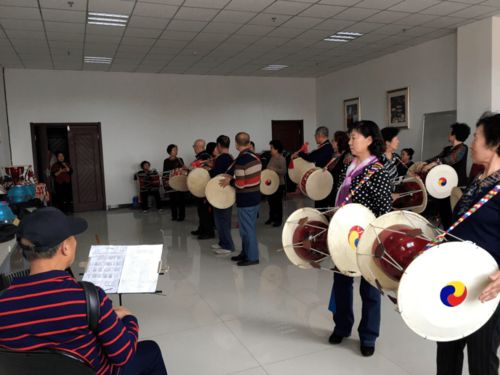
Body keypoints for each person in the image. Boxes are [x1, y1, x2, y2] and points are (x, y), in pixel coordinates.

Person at [0, 207, 167, 375]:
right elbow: (123, 356)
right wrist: (130, 319)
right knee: (151, 350)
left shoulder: (3, 301)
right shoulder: (88, 298)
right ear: (65, 247)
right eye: (73, 236)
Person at [436, 113, 500, 375]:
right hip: (455, 278)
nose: (472, 144)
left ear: (495, 143)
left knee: (481, 358)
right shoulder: (478, 180)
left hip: (485, 286)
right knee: (447, 350)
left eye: (476, 138)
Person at [329, 120, 392, 357]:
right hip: (342, 235)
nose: (350, 141)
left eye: (355, 137)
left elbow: (384, 211)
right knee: (341, 284)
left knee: (370, 289)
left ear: (369, 140)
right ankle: (342, 326)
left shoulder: (378, 171)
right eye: (350, 136)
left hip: (366, 239)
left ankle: (368, 336)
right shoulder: (347, 163)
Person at [220, 132, 262, 266]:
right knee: (245, 229)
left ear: (237, 145)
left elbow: (240, 184)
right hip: (255, 197)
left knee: (247, 230)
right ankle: (245, 253)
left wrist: (230, 181)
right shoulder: (255, 156)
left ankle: (252, 257)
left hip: (245, 200)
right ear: (249, 143)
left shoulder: (242, 160)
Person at [418, 123, 471, 228]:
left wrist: (432, 164)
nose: (448, 134)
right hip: (442, 185)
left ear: (454, 135)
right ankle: (446, 236)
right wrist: (423, 163)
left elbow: (450, 159)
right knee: (444, 213)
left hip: (456, 187)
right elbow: (436, 158)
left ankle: (452, 237)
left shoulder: (463, 148)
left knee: (452, 215)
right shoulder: (447, 149)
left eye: (450, 132)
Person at [293, 126, 334, 208]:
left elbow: (312, 158)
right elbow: (313, 156)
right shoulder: (324, 146)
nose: (315, 138)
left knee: (322, 203)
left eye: (315, 136)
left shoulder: (327, 148)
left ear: (319, 135)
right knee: (318, 202)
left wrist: (300, 153)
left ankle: (322, 220)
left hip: (323, 178)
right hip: (320, 177)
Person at [210, 135, 236, 255]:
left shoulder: (222, 158)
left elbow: (216, 175)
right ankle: (222, 242)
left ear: (219, 145)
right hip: (226, 192)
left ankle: (228, 245)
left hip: (221, 193)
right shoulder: (230, 157)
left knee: (222, 219)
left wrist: (208, 170)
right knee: (221, 218)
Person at [191, 139, 214, 240]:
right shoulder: (202, 156)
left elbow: (203, 172)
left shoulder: (205, 157)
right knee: (201, 210)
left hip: (204, 188)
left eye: (194, 146)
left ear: (199, 147)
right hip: (200, 187)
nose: (193, 148)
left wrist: (190, 169)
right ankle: (201, 229)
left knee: (204, 211)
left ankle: (209, 232)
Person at [327, 131, 352, 206]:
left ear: (339, 142)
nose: (332, 142)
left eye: (333, 141)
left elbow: (343, 176)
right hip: (332, 188)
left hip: (339, 189)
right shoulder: (335, 154)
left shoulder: (347, 156)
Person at [265, 140, 286, 227]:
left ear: (277, 149)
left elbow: (284, 171)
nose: (270, 150)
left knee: (278, 203)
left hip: (279, 184)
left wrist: (275, 170)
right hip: (271, 184)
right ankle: (271, 218)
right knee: (271, 202)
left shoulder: (281, 158)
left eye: (272, 148)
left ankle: (278, 220)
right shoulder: (272, 157)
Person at [163, 144, 186, 221]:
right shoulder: (166, 161)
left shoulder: (180, 159)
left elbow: (183, 170)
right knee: (172, 200)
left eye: (176, 149)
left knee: (181, 200)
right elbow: (165, 172)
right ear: (169, 151)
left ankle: (181, 216)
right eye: (174, 150)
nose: (176, 151)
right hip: (171, 182)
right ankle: (174, 216)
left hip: (179, 182)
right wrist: (166, 182)